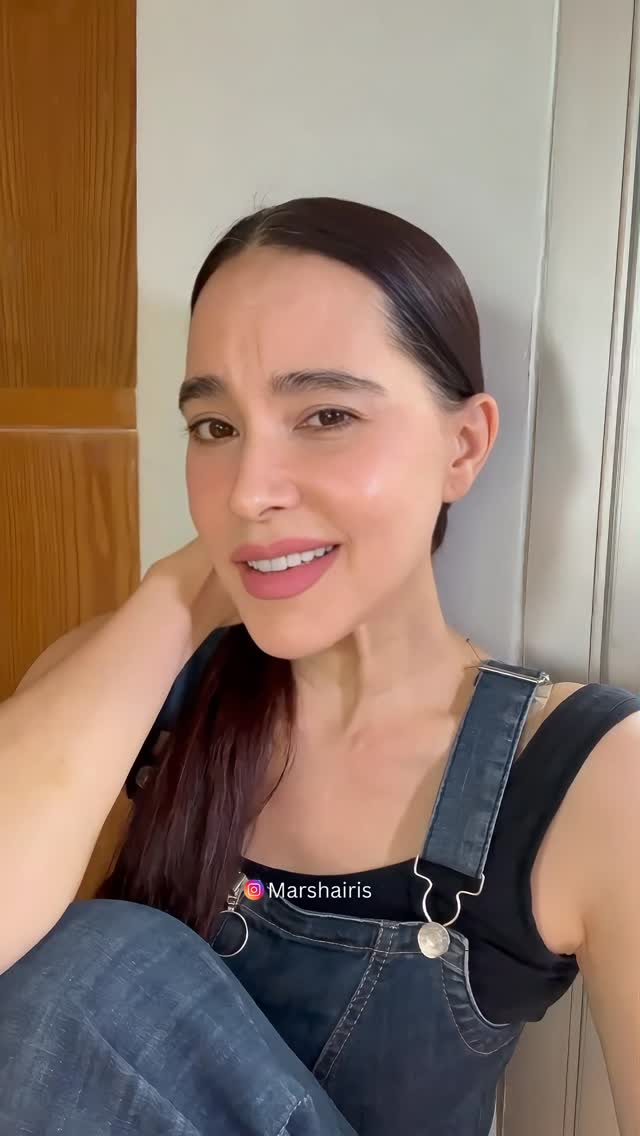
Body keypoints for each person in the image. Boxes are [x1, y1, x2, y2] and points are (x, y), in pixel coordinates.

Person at [0, 197, 639, 1136]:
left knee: (102, 961)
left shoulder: (589, 775)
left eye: (327, 414)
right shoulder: (127, 687)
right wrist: (175, 596)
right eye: (214, 428)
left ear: (463, 446)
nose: (249, 492)